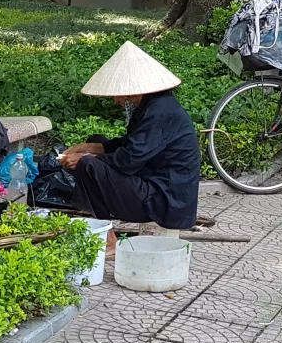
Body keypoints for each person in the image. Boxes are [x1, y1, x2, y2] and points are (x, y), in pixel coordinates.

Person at [57, 41, 201, 229]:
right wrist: (92, 147)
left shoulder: (160, 112)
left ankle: (105, 233)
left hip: (164, 200)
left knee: (88, 165)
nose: (116, 100)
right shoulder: (153, 105)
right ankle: (100, 221)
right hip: (154, 184)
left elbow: (129, 160)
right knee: (95, 141)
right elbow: (131, 143)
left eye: (119, 94)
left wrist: (87, 157)